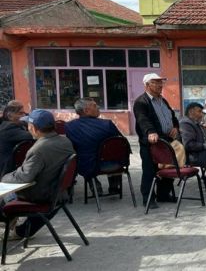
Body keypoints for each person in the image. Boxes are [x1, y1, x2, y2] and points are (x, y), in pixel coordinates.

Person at [1, 109, 74, 238]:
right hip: (59, 192)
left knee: (5, 193)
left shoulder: (38, 149)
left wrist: (4, 178)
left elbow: (24, 177)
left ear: (33, 128)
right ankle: (17, 227)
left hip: (41, 195)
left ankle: (9, 225)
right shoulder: (65, 141)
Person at [133, 73, 180, 210]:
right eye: (156, 82)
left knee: (167, 166)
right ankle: (148, 198)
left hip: (166, 140)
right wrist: (150, 131)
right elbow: (143, 119)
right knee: (149, 170)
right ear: (147, 85)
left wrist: (175, 127)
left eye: (161, 82)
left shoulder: (162, 100)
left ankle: (163, 195)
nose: (160, 85)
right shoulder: (141, 102)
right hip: (151, 142)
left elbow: (172, 116)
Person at [65, 98, 123, 195]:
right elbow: (121, 143)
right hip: (111, 165)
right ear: (86, 111)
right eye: (95, 106)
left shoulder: (69, 126)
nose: (98, 107)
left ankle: (92, 182)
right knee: (115, 151)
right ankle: (114, 185)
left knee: (81, 156)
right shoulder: (107, 124)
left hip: (84, 166)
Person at [0, 101, 32, 176]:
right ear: (10, 116)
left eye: (24, 113)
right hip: (7, 169)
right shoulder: (8, 128)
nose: (23, 115)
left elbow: (23, 123)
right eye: (20, 113)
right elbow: (34, 135)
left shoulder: (13, 123)